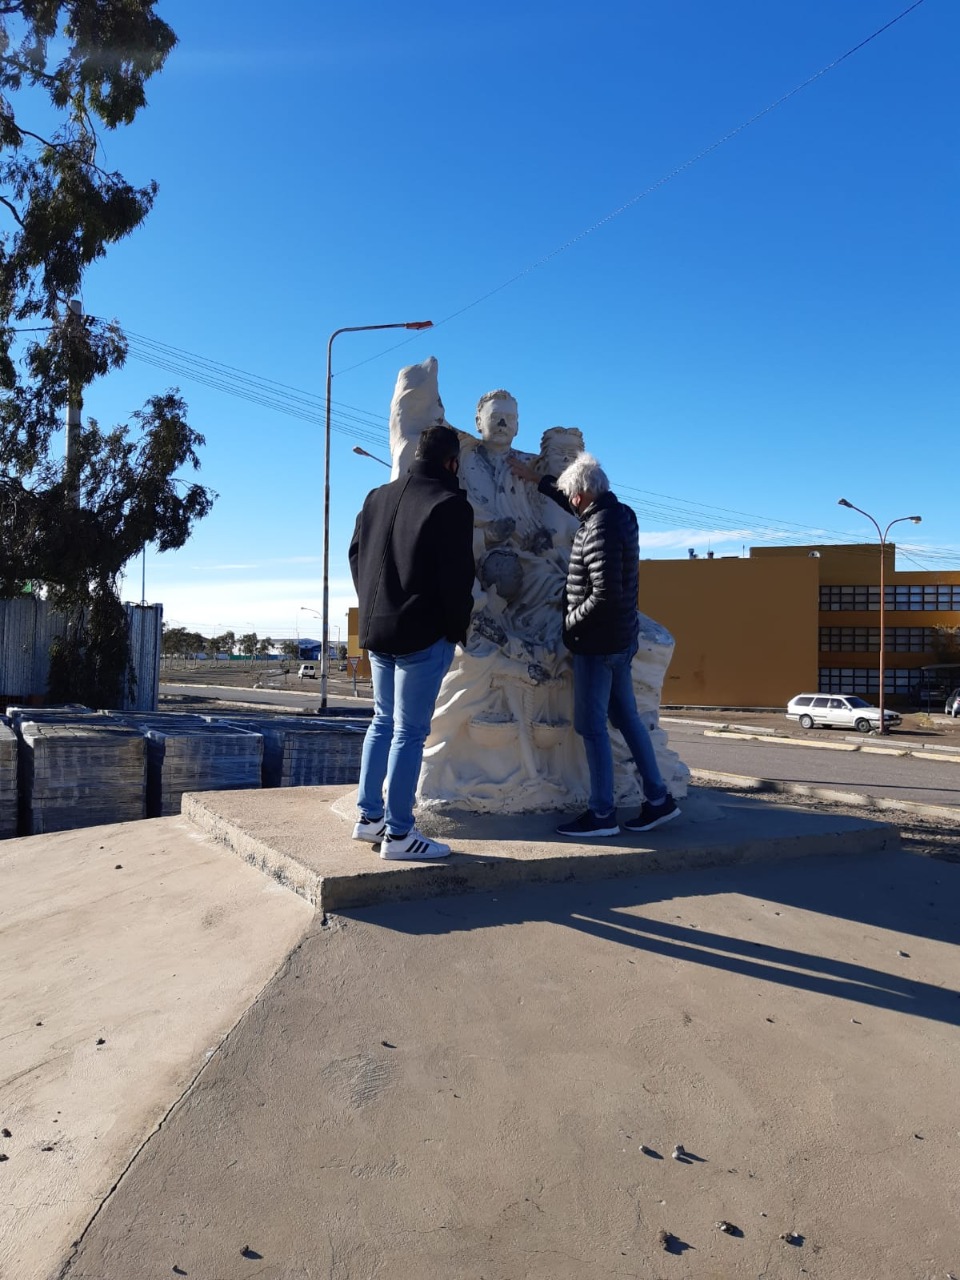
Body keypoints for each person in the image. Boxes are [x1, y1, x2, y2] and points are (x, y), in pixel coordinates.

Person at [512, 450, 680, 837]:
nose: (570, 502)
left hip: (597, 643)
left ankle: (602, 814)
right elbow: (575, 510)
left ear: (584, 494)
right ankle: (659, 799)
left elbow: (603, 594)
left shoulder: (600, 528)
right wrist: (535, 481)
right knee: (626, 719)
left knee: (591, 727)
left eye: (573, 496)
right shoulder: (617, 515)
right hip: (620, 641)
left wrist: (570, 624)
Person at [348, 424, 475, 859]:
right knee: (409, 731)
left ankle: (369, 819)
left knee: (382, 722)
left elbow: (355, 555)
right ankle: (400, 834)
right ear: (451, 462)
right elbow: (458, 579)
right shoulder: (450, 503)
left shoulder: (375, 498)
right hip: (423, 634)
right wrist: (457, 628)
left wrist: (371, 606)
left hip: (377, 630)